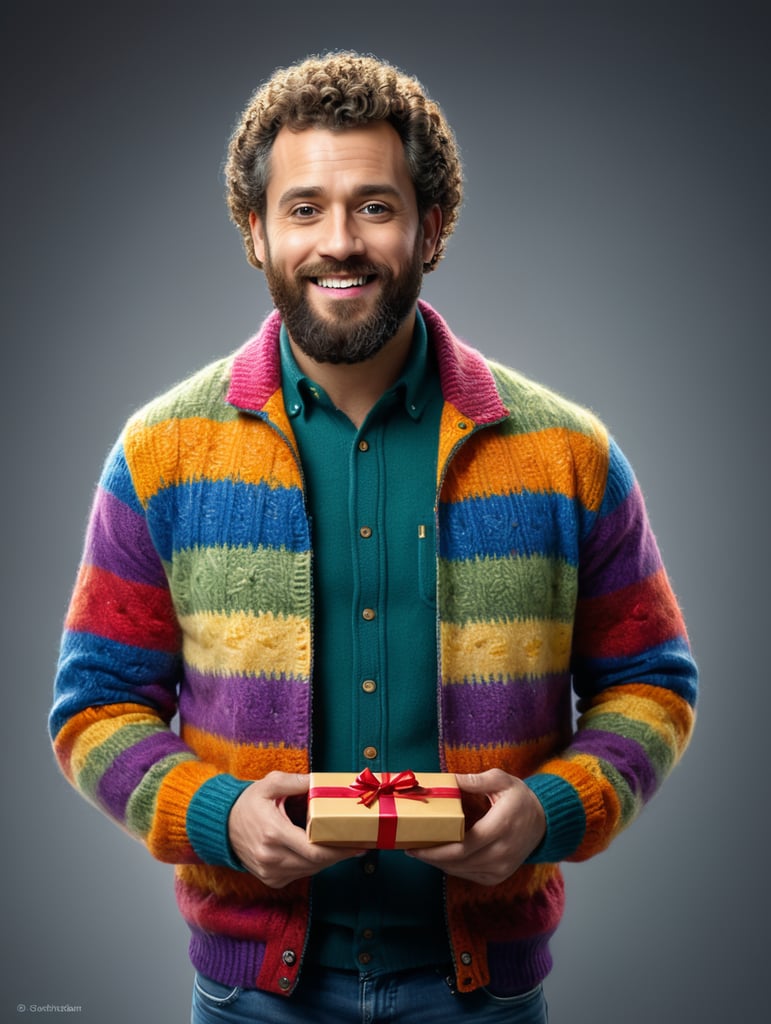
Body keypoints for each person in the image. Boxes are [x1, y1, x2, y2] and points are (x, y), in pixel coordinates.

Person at [50, 52, 698, 1024]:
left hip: (483, 992)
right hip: (249, 995)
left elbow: (655, 682)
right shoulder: (159, 454)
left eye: (376, 207)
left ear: (430, 227)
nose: (339, 241)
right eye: (304, 208)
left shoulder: (569, 453)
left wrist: (549, 811)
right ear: (256, 232)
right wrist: (218, 817)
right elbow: (94, 705)